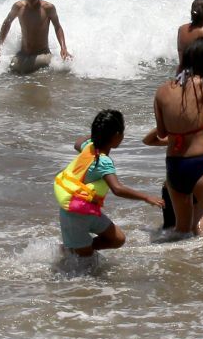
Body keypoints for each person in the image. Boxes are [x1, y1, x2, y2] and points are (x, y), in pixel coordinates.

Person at [143, 36, 203, 236]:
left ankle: (176, 264)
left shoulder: (162, 90)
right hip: (200, 163)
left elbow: (161, 133)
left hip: (174, 166)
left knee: (181, 230)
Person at [55, 110, 162, 258]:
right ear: (117, 136)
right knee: (84, 266)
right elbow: (117, 189)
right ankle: (73, 250)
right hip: (75, 216)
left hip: (87, 210)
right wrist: (146, 197)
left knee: (117, 239)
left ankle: (75, 249)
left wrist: (96, 135)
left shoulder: (89, 147)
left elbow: (77, 143)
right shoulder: (103, 162)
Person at [0, 0, 73, 74]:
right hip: (23, 54)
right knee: (12, 71)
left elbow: (58, 27)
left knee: (41, 73)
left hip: (42, 54)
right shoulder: (18, 7)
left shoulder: (48, 8)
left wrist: (63, 48)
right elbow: (7, 23)